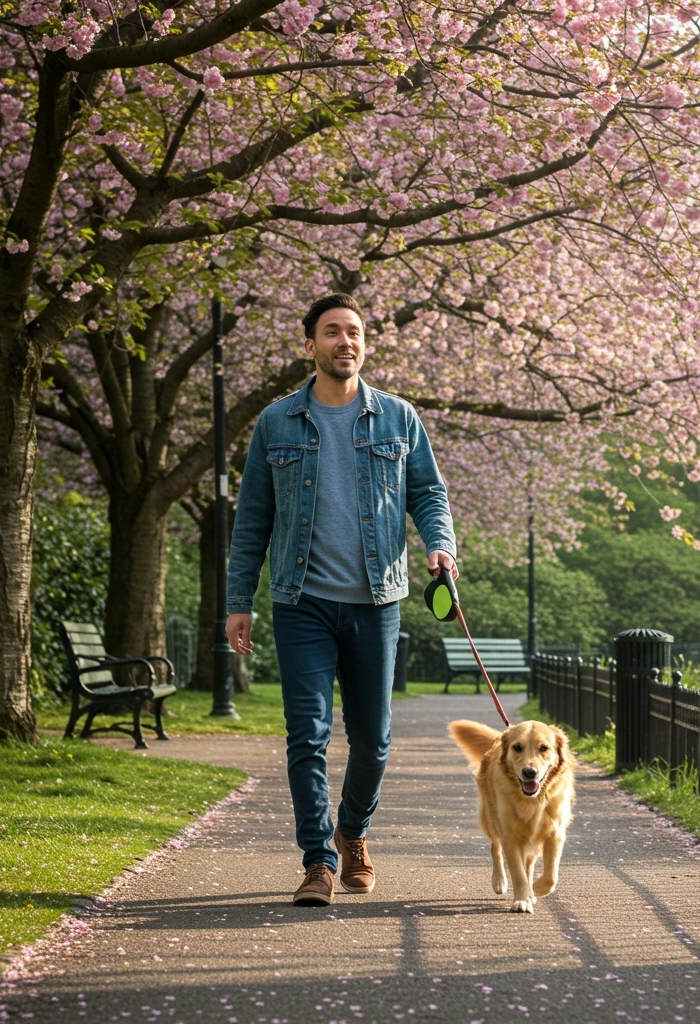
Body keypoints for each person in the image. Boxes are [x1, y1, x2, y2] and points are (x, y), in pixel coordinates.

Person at [225, 293, 458, 907]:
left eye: (353, 332)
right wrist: (238, 598)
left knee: (373, 739)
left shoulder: (398, 418)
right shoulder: (276, 422)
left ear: (364, 344)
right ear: (311, 345)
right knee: (307, 735)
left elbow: (429, 492)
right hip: (300, 600)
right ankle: (317, 862)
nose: (344, 341)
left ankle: (351, 832)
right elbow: (252, 518)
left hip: (376, 602)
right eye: (331, 332)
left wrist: (439, 543)